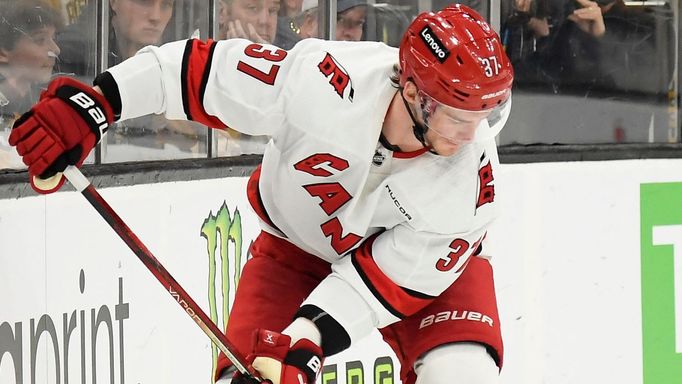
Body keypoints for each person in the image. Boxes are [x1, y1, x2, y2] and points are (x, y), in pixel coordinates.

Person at [10, 5, 513, 384]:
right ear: (412, 91)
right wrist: (98, 102)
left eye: (482, 117)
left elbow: (380, 285)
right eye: (456, 115)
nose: (471, 135)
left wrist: (306, 340)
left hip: (422, 277)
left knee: (461, 370)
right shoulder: (325, 82)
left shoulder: (471, 183)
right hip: (294, 251)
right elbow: (197, 73)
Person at [0, 0, 61, 169]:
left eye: (54, 38)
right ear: (3, 51)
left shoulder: (45, 100)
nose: (55, 49)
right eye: (40, 40)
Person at [274, 0, 366, 49]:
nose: (351, 33)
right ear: (309, 24)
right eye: (340, 20)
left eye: (359, 23)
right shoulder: (284, 57)